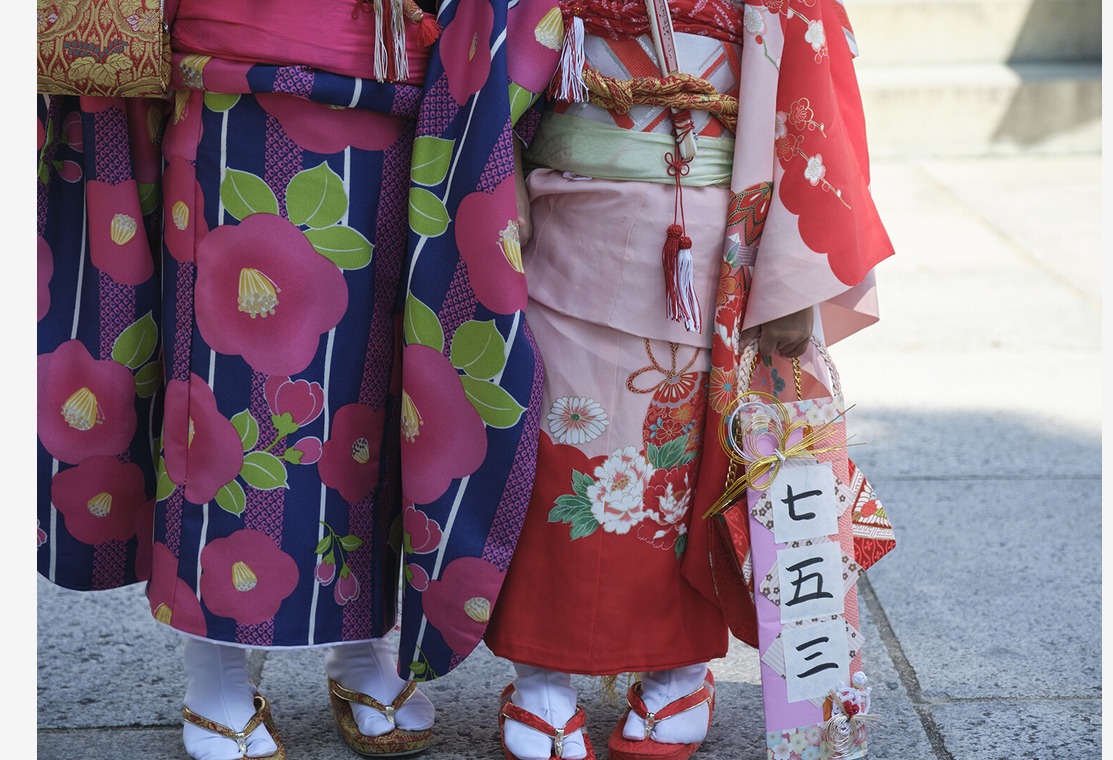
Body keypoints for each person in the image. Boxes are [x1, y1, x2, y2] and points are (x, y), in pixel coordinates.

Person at [36, 1, 561, 757]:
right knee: (222, 387)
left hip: (399, 84)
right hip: (232, 82)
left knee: (373, 392)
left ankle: (363, 642)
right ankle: (212, 662)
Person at [482, 1, 896, 759]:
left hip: (715, 242)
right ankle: (541, 676)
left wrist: (792, 281)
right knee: (552, 464)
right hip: (566, 219)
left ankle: (678, 676)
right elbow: (489, 60)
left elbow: (811, 93)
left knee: (679, 481)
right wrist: (495, 188)